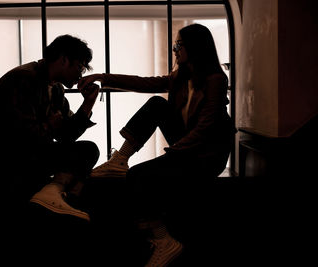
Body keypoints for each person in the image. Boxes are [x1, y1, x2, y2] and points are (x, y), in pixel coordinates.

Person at [78, 24, 237, 266]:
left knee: (139, 175)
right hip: (184, 148)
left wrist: (173, 153)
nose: (174, 50)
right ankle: (120, 159)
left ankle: (164, 240)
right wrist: (101, 77)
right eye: (174, 46)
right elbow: (144, 83)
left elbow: (206, 126)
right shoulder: (180, 78)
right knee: (156, 104)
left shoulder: (215, 79)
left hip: (206, 154)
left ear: (194, 46)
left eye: (178, 45)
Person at [0, 34, 100, 230]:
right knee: (85, 154)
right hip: (3, 162)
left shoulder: (56, 88)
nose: (80, 75)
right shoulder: (23, 79)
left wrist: (88, 104)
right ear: (63, 59)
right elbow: (19, 138)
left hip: (29, 157)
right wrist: (49, 125)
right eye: (79, 67)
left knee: (88, 151)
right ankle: (57, 197)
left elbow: (67, 136)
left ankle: (58, 197)